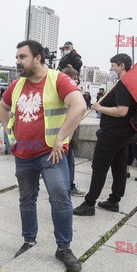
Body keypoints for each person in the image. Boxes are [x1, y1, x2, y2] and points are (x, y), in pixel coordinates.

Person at [0, 40, 86, 272]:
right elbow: (3, 107)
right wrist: (9, 133)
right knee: (26, 199)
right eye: (16, 57)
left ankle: (64, 248)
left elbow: (79, 106)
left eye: (22, 57)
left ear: (37, 58)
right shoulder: (16, 84)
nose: (17, 61)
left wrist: (60, 139)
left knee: (60, 197)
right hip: (23, 154)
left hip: (51, 154)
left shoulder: (58, 79)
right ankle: (29, 240)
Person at [73, 53, 136, 216]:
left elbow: (122, 111)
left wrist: (99, 108)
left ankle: (89, 203)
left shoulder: (124, 84)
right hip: (124, 132)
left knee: (99, 166)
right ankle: (114, 200)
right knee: (119, 165)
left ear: (122, 66)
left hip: (113, 133)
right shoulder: (130, 83)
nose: (111, 68)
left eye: (113, 65)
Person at [61, 64, 86, 196]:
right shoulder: (66, 93)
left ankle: (68, 185)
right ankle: (68, 186)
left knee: (68, 161)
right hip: (65, 135)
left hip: (68, 134)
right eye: (74, 78)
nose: (76, 80)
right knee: (67, 162)